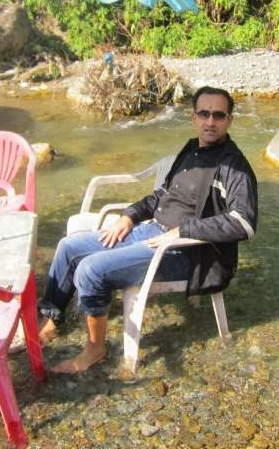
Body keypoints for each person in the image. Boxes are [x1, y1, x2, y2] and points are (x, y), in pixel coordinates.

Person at [37, 86, 259, 373]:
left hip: (184, 253)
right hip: (152, 230)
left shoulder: (234, 166)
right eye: (204, 113)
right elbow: (162, 195)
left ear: (230, 120)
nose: (210, 121)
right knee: (69, 247)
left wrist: (184, 231)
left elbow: (245, 222)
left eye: (218, 115)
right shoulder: (191, 149)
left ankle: (95, 349)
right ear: (193, 117)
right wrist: (129, 216)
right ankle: (52, 317)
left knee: (91, 270)